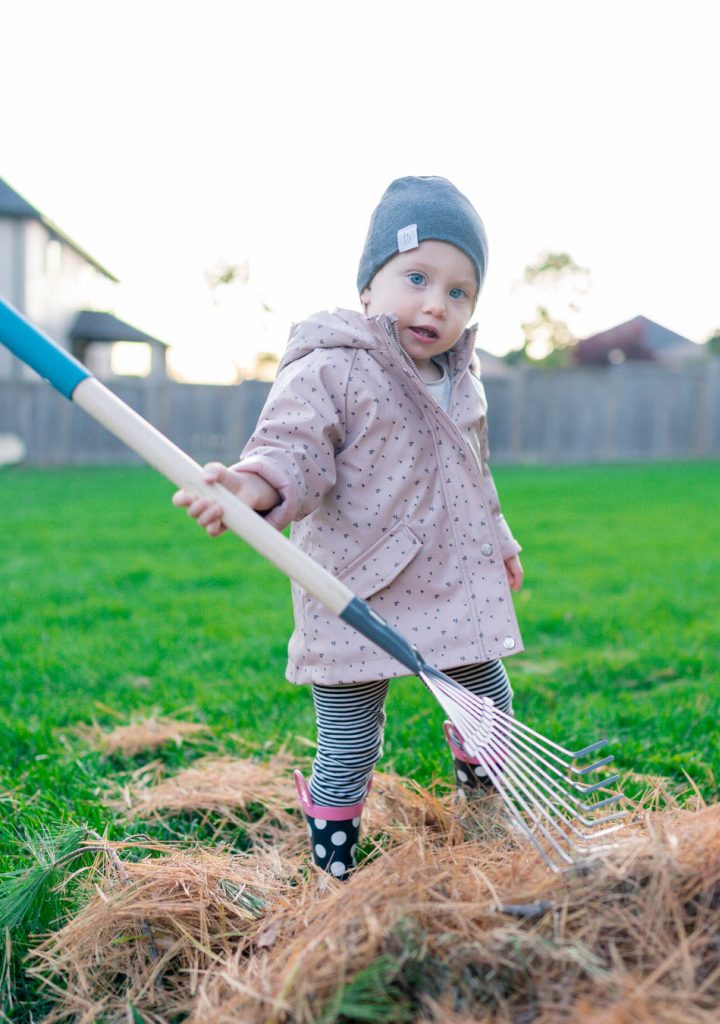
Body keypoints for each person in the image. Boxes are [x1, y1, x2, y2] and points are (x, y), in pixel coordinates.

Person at [173, 176, 524, 878]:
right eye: (417, 277)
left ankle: (483, 816)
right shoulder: (329, 367)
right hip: (353, 590)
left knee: (489, 701)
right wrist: (248, 486)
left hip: (452, 583)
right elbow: (292, 451)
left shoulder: (462, 380)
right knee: (349, 739)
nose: (436, 303)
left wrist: (502, 542)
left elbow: (473, 475)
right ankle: (333, 869)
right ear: (369, 286)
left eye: (459, 292)